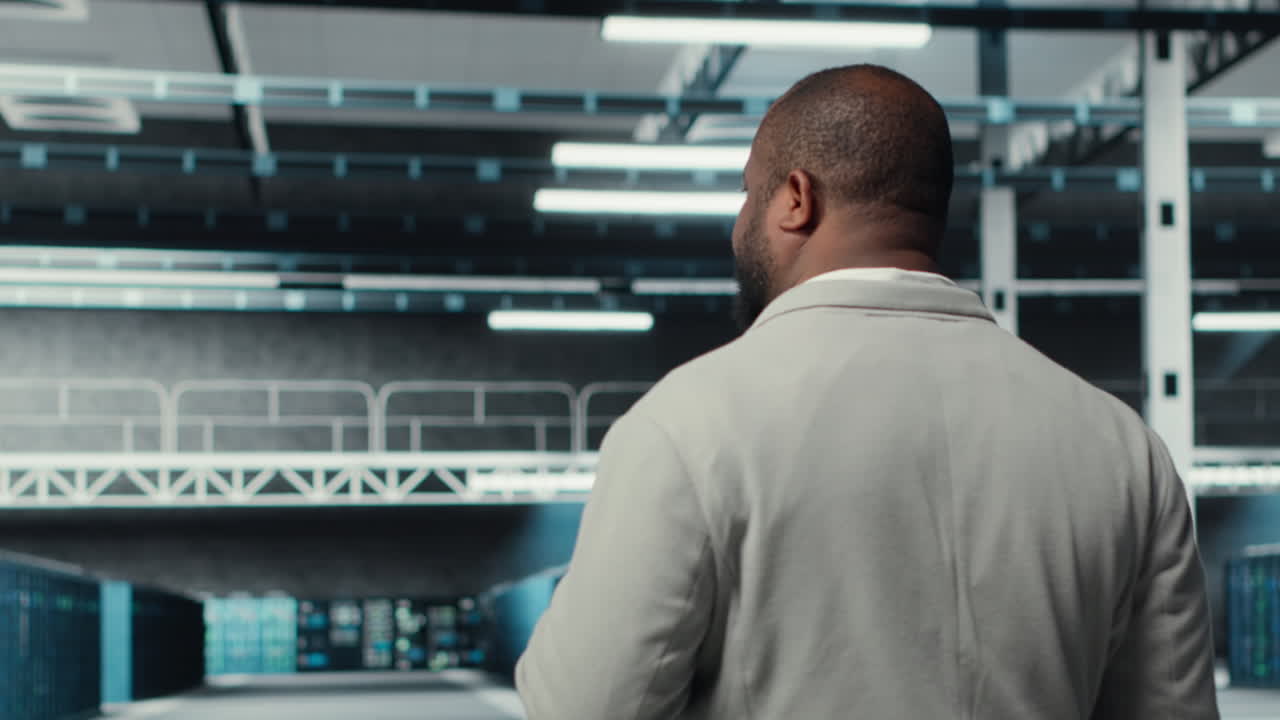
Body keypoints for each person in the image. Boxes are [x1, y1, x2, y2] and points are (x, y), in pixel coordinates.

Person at [515, 64, 1219, 719]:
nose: (737, 227)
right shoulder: (1122, 446)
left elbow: (583, 707)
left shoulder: (686, 426)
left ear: (796, 199)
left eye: (746, 197)